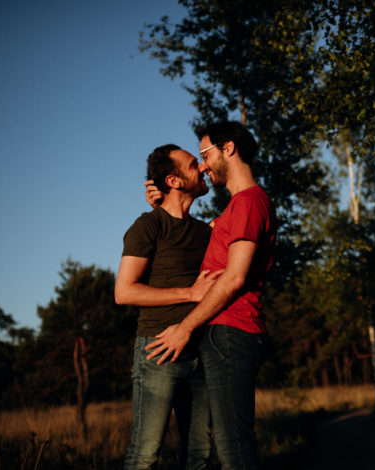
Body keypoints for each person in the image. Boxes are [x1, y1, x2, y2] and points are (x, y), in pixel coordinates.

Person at [145, 121, 277, 470]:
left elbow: (234, 278)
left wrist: (185, 328)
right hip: (225, 335)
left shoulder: (248, 203)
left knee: (234, 450)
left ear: (228, 149)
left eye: (205, 154)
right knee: (229, 446)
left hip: (232, 333)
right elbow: (188, 240)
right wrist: (162, 204)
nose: (203, 164)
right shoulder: (235, 209)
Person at [115, 144, 218, 470]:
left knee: (200, 457)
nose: (201, 168)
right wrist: (190, 294)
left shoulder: (205, 231)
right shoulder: (148, 226)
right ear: (173, 181)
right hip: (158, 350)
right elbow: (124, 292)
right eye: (192, 164)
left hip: (201, 352)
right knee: (144, 456)